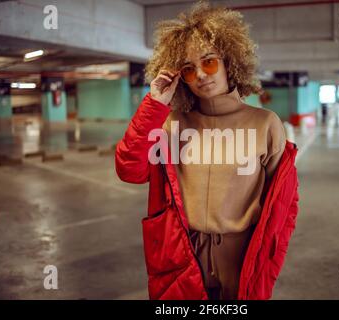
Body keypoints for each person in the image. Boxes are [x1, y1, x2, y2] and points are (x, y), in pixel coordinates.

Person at [115, 1, 299, 300]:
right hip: (183, 255)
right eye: (188, 69)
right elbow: (129, 170)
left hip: (243, 257)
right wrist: (156, 105)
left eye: (209, 62)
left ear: (229, 61)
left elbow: (285, 204)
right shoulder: (172, 124)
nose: (200, 74)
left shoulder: (265, 124)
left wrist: (270, 257)